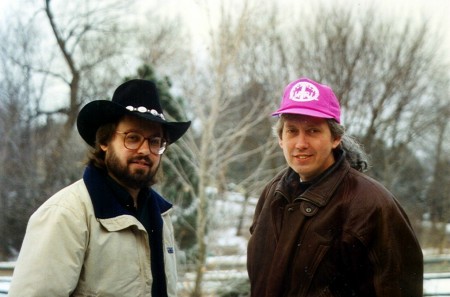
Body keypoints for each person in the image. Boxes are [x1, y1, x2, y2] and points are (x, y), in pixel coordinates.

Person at [9, 79, 191, 297]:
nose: (145, 150)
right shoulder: (68, 214)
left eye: (155, 141)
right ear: (104, 141)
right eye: (132, 138)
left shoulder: (161, 216)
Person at [246, 77, 423, 297]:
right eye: (292, 131)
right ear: (281, 139)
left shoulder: (370, 204)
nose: (301, 143)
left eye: (313, 131)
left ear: (336, 137)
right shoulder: (272, 194)